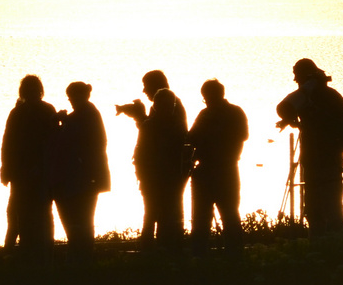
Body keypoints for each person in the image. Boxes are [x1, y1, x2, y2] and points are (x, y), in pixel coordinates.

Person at [276, 58, 343, 235]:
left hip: (321, 160)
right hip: (323, 158)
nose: (296, 81)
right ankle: (337, 242)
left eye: (298, 77)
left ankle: (325, 243)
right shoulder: (330, 96)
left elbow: (284, 107)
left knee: (322, 208)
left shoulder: (313, 97)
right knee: (328, 206)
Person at [122, 81, 189, 254]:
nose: (170, 108)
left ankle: (165, 248)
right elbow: (141, 155)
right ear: (157, 106)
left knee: (166, 215)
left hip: (170, 179)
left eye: (171, 105)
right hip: (154, 179)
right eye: (166, 105)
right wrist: (143, 177)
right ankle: (152, 250)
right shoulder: (152, 126)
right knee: (152, 214)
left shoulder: (171, 126)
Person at [0, 75, 58, 258]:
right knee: (43, 211)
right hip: (41, 171)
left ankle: (20, 250)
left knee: (20, 212)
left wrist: (6, 169)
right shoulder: (48, 110)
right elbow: (54, 141)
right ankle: (45, 248)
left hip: (22, 173)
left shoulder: (17, 113)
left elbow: (7, 143)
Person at [189, 79, 249, 254]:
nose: (206, 101)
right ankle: (234, 255)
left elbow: (191, 138)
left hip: (214, 170)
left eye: (206, 98)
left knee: (205, 218)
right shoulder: (235, 113)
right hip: (225, 170)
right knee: (228, 215)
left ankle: (201, 256)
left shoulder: (207, 114)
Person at [53, 81, 110, 261]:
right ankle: (82, 256)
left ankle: (80, 257)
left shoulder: (84, 116)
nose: (70, 101)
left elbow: (75, 140)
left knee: (80, 220)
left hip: (84, 179)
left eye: (71, 97)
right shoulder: (88, 114)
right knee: (83, 221)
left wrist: (62, 121)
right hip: (89, 178)